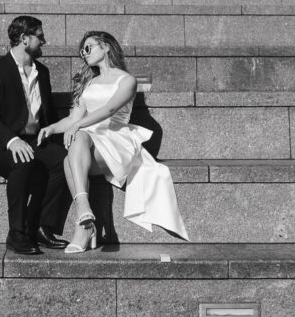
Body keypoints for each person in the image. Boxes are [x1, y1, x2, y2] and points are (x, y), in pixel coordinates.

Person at [38, 30, 188, 253]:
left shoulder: (127, 80)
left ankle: (83, 224)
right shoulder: (89, 83)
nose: (84, 53)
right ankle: (84, 214)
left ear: (106, 47)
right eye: (82, 51)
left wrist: (78, 125)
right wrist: (51, 128)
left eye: (88, 48)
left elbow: (109, 109)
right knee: (77, 143)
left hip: (115, 141)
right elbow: (73, 119)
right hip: (87, 142)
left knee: (74, 150)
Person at [0, 15, 69, 256]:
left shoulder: (42, 72)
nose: (44, 40)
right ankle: (17, 233)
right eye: (39, 36)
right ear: (24, 39)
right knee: (23, 160)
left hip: (35, 140)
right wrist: (12, 140)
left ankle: (39, 227)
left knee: (64, 161)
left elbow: (49, 113)